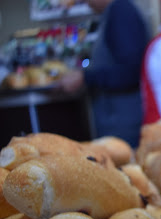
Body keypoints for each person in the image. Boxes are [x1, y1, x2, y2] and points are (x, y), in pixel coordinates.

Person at [59, 0, 151, 147]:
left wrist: (85, 77)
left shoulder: (121, 11)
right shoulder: (114, 12)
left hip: (123, 120)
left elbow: (129, 72)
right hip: (117, 117)